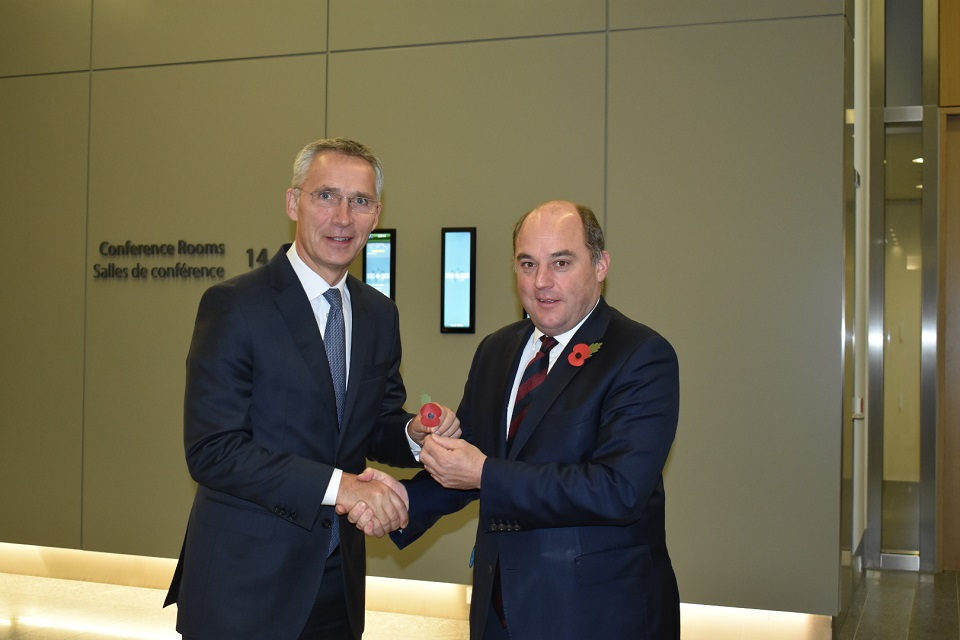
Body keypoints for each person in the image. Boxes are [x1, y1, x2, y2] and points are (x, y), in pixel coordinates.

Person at [163, 137, 460, 640]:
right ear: (293, 202)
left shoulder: (378, 313)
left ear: (376, 214)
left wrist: (414, 432)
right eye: (326, 196)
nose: (343, 217)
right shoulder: (235, 306)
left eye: (360, 201)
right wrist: (341, 486)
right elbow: (213, 450)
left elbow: (374, 422)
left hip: (334, 587)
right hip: (242, 590)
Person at [363, 200, 680, 638]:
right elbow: (470, 463)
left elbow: (618, 490)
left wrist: (484, 473)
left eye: (561, 263)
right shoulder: (498, 349)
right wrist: (399, 503)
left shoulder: (640, 355)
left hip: (596, 615)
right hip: (500, 609)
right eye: (527, 264)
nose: (542, 282)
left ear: (601, 265)